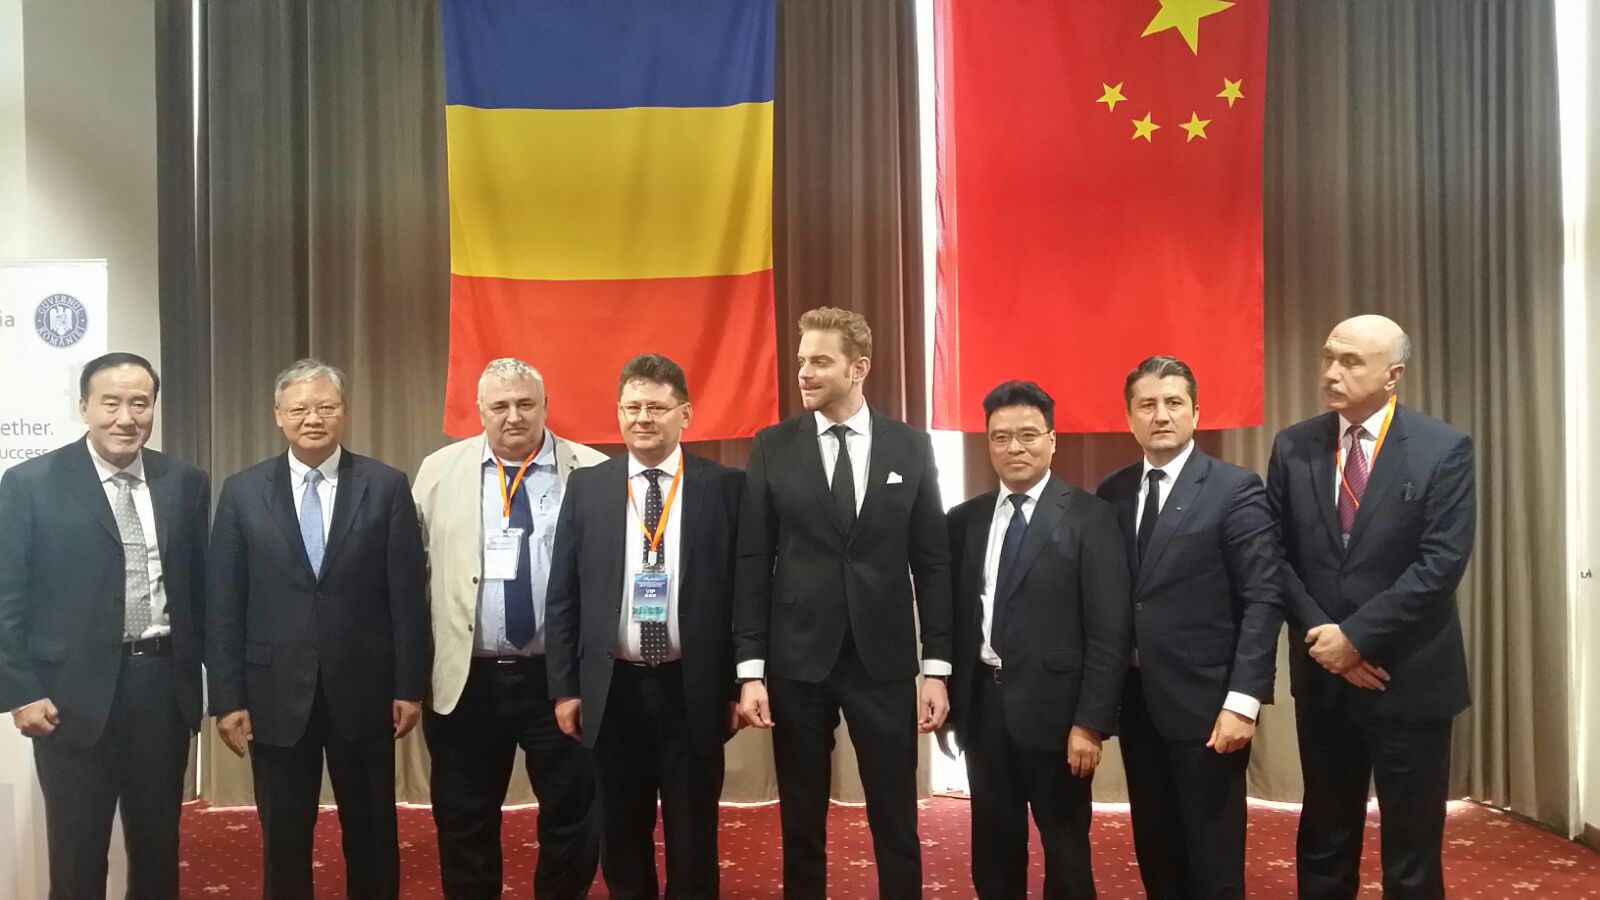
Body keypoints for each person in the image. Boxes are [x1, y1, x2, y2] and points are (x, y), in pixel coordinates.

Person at [733, 306, 954, 900]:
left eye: (820, 362)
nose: (804, 373)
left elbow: (933, 564)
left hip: (883, 663)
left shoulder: (911, 447)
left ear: (859, 368)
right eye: (801, 360)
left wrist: (937, 667)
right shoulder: (772, 447)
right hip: (797, 662)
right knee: (801, 821)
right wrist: (750, 670)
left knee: (896, 819)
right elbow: (753, 563)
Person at [1267, 315, 1475, 900]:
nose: (1332, 372)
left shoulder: (1442, 448)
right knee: (1325, 836)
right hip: (1324, 675)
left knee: (1411, 849)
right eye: (1328, 356)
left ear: (1393, 374)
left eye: (1351, 361)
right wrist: (1327, 641)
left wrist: (1356, 639)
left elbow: (1441, 564)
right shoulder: (1293, 445)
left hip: (1408, 674)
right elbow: (1273, 554)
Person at [207, 358, 430, 899]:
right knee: (283, 837)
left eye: (326, 407)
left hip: (365, 690)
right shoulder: (242, 492)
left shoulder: (385, 486)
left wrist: (409, 686)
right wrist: (228, 697)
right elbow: (224, 602)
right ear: (278, 415)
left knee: (373, 833)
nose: (313, 418)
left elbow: (407, 596)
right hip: (274, 691)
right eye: (300, 409)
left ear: (344, 412)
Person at [0, 352, 209, 899]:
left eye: (140, 403)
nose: (126, 417)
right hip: (68, 698)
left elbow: (198, 590)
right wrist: (21, 692)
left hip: (161, 689)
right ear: (84, 407)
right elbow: (6, 596)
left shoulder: (185, 482)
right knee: (76, 855)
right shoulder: (29, 483)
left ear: (154, 408)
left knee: (158, 850)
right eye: (111, 403)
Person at [544, 353, 745, 900]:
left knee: (693, 834)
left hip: (692, 688)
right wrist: (565, 687)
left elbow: (744, 595)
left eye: (656, 407)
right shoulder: (588, 487)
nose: (642, 418)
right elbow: (563, 595)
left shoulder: (726, 488)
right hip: (613, 690)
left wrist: (736, 685)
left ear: (686, 414)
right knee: (621, 833)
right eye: (632, 407)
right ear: (618, 412)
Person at [412, 357, 604, 899]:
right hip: (466, 679)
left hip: (559, 679)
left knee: (573, 814)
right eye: (500, 406)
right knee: (464, 817)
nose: (513, 416)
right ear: (479, 411)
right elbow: (412, 575)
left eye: (525, 404)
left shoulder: (591, 470)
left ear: (546, 406)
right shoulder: (438, 471)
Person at [1096, 356, 1284, 900]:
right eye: (1147, 405)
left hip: (1209, 706)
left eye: (1174, 403)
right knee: (1157, 852)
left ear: (1196, 413)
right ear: (1129, 418)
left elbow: (1263, 597)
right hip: (1136, 703)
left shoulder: (1234, 488)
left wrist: (1243, 702)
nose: (1161, 415)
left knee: (1212, 859)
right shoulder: (1111, 492)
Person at [946, 380, 1132, 899]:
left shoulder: (1091, 516)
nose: (1015, 448)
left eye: (1028, 435)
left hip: (1060, 716)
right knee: (993, 850)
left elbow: (1109, 630)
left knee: (1066, 852)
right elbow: (957, 620)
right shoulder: (964, 520)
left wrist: (1090, 722)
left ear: (1052, 440)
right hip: (984, 711)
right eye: (1001, 437)